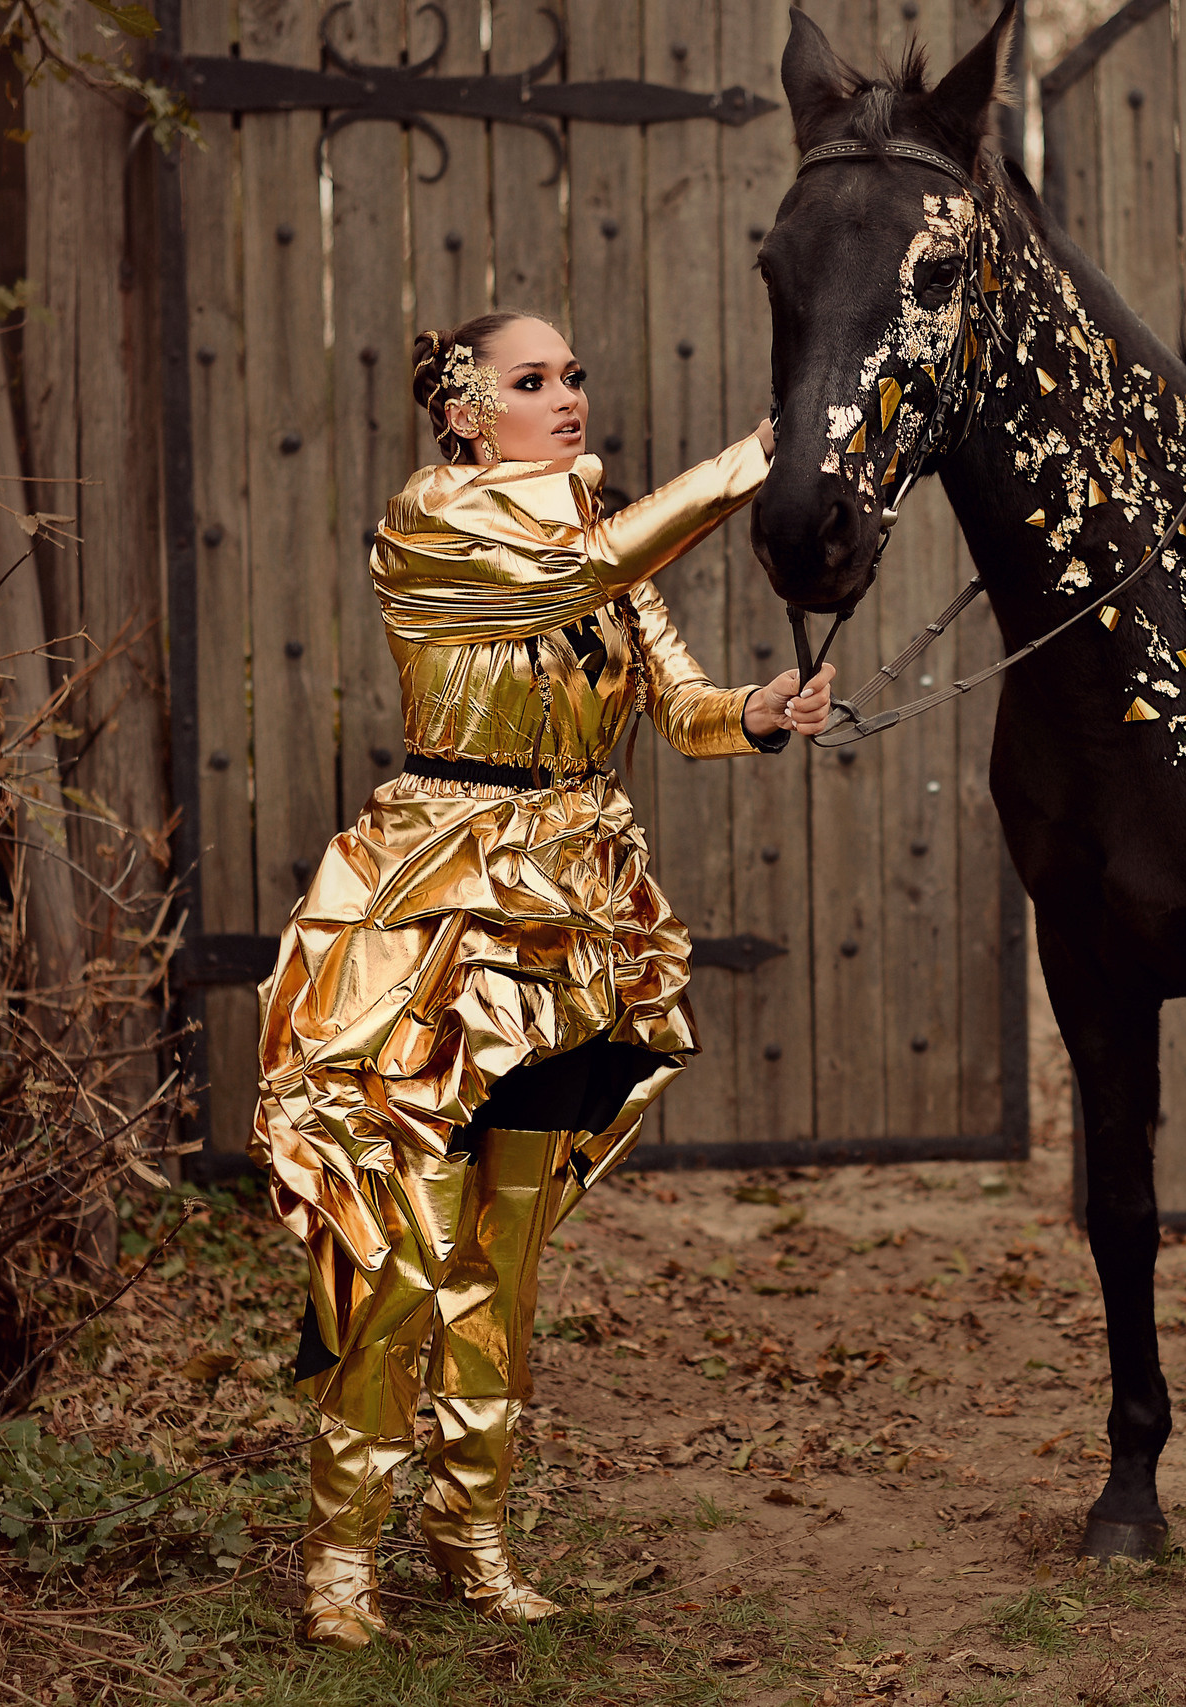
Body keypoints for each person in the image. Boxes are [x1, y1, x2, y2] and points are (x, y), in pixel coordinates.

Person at [251, 311, 833, 1648]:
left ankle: (472, 1537)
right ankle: (343, 1556)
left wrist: (756, 711)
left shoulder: (596, 540)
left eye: (576, 373)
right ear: (467, 413)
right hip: (435, 925)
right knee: (404, 1257)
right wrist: (752, 460)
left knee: (501, 1269)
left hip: (574, 932)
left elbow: (675, 707)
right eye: (534, 380)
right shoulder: (436, 524)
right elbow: (567, 577)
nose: (568, 394)